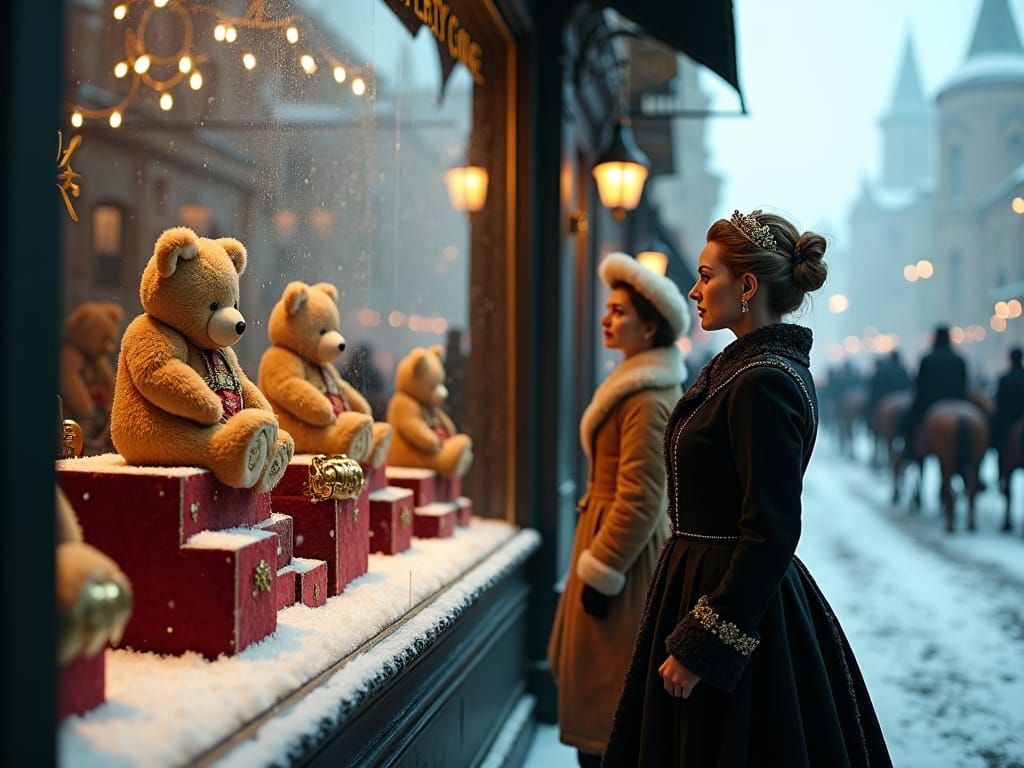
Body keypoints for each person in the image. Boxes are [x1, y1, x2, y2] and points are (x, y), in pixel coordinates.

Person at [603, 210, 891, 767]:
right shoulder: (744, 371)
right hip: (699, 583)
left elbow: (771, 531)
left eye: (708, 276)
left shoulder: (763, 381)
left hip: (727, 600)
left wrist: (704, 647)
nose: (695, 289)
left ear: (748, 286)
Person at [547, 251, 688, 768]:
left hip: (622, 564)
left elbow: (643, 496)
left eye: (619, 312)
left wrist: (603, 570)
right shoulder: (636, 385)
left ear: (649, 328)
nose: (607, 319)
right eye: (607, 310)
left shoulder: (648, 399)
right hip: (609, 548)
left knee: (609, 703)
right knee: (599, 692)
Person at [902, 325, 968, 457]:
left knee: (907, 423)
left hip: (929, 403)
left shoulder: (926, 359)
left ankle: (909, 451)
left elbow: (919, 386)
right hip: (957, 402)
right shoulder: (960, 359)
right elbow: (964, 385)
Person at [991, 346, 1024, 471]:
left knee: (999, 442)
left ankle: (1001, 472)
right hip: (1021, 416)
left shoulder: (1004, 378)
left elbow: (999, 402)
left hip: (1008, 421)